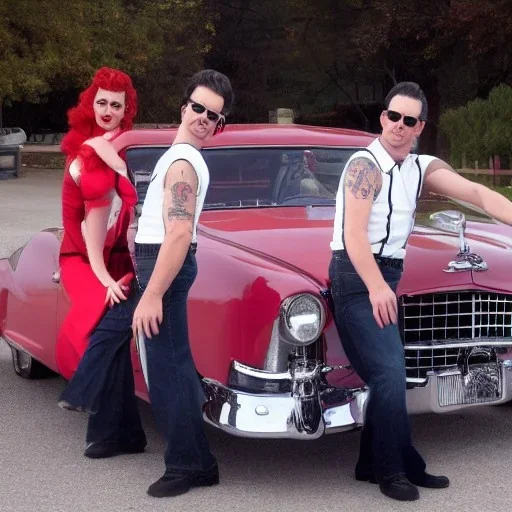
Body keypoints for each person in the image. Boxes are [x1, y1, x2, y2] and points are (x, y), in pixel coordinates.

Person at [329, 81, 512, 501]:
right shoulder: (364, 166)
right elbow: (352, 234)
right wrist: (376, 287)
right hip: (356, 279)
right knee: (391, 372)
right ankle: (396, 469)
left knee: (387, 373)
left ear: (419, 127)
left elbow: (480, 193)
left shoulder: (422, 167)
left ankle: (368, 463)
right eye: (393, 116)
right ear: (383, 118)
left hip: (387, 277)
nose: (398, 125)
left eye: (408, 120)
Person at [62, 69, 234, 496]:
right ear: (184, 108)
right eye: (198, 108)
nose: (202, 118)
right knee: (119, 333)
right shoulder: (177, 155)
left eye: (212, 115)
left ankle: (192, 464)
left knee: (169, 371)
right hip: (156, 264)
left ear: (218, 125)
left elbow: (178, 233)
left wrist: (153, 293)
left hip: (166, 271)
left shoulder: (183, 162)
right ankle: (119, 428)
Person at [57, 67, 146, 458]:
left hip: (115, 254)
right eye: (101, 102)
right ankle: (110, 424)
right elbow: (89, 232)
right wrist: (102, 278)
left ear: (126, 110)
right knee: (104, 318)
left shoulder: (120, 143)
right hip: (82, 256)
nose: (107, 110)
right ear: (89, 104)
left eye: (116, 104)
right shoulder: (89, 152)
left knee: (111, 328)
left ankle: (119, 430)